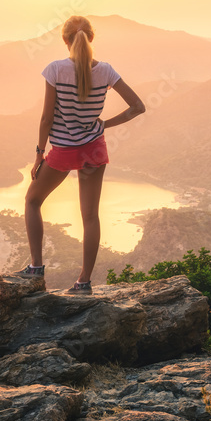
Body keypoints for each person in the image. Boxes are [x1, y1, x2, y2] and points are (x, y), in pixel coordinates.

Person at [15, 15, 145, 294]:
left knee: (32, 201)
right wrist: (104, 125)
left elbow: (46, 119)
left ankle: (36, 268)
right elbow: (138, 107)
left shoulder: (55, 70)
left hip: (63, 151)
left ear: (65, 40)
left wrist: (39, 154)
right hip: (94, 149)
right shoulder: (107, 71)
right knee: (90, 217)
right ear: (91, 38)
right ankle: (84, 282)